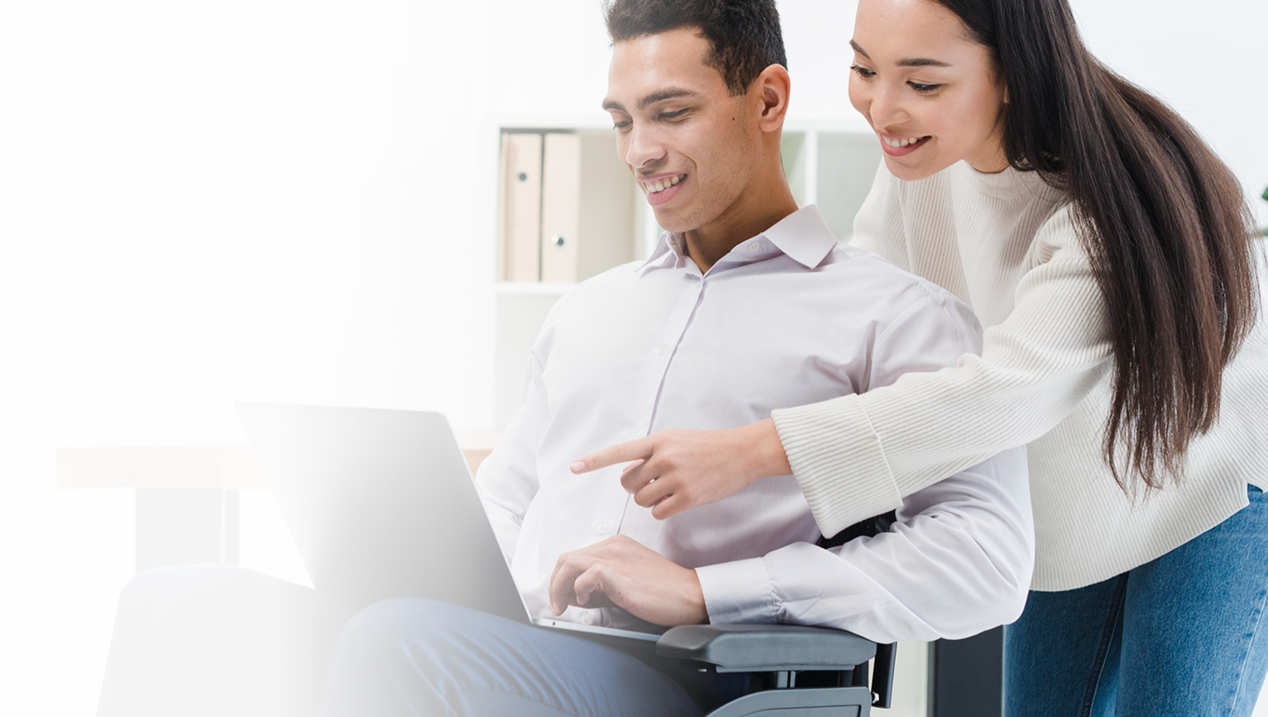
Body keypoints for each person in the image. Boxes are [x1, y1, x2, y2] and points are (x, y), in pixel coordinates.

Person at [96, 1, 1034, 716]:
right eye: (623, 119)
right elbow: (507, 500)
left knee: (397, 642)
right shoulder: (590, 310)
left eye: (670, 112)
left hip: (689, 679)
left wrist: (707, 588)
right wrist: (416, 563)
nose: (641, 150)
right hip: (519, 639)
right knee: (178, 600)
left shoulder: (898, 317)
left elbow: (986, 557)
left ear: (768, 100)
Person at [572, 0, 1268, 715]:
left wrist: (749, 452)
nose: (883, 109)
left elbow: (1002, 390)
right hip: (1076, 504)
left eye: (923, 84)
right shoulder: (925, 161)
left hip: (1204, 494)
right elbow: (858, 326)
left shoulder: (1106, 210)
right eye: (864, 69)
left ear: (1012, 76)